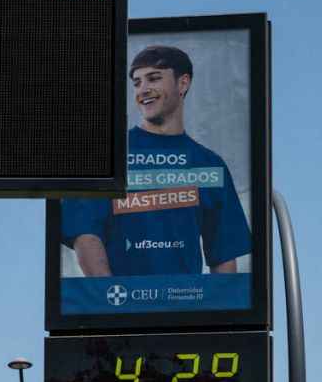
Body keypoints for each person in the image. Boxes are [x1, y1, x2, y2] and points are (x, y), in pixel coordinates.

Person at [62, 44, 251, 278]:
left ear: (183, 83)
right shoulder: (108, 156)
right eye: (137, 83)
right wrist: (114, 306)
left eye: (153, 79)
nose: (143, 90)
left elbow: (223, 257)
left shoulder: (210, 164)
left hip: (187, 308)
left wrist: (213, 313)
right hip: (119, 306)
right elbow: (85, 235)